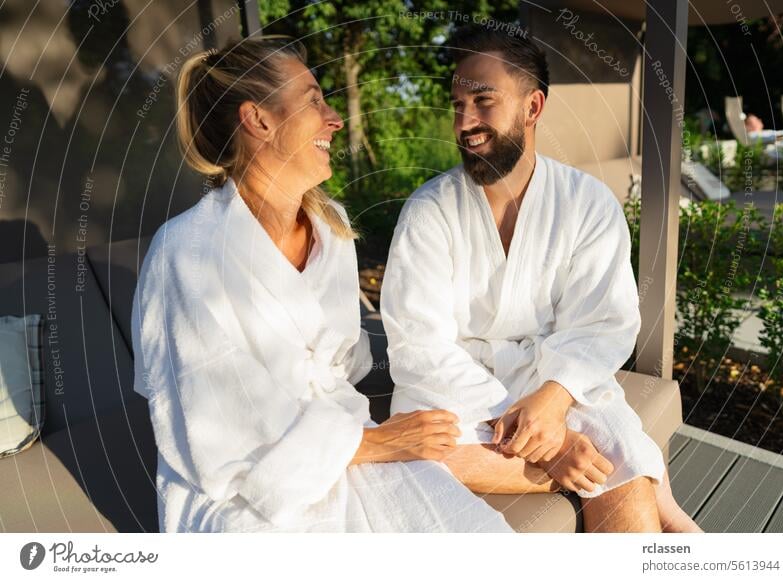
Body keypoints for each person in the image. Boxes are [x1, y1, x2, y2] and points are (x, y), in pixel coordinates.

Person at [130, 36, 513, 533]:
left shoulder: (331, 228)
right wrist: (377, 443)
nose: (334, 118)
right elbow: (219, 428)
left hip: (347, 437)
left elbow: (344, 364)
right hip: (245, 492)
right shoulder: (186, 252)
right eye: (313, 100)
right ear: (259, 119)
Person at [380, 25, 702, 533]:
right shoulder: (429, 211)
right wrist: (547, 444)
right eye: (457, 103)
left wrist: (551, 403)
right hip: (455, 389)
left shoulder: (587, 204)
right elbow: (417, 345)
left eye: (483, 101)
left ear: (533, 107)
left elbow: (605, 322)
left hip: (558, 379)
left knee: (617, 462)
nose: (465, 121)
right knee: (417, 455)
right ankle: (635, 489)